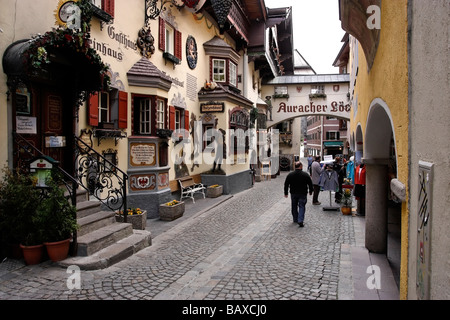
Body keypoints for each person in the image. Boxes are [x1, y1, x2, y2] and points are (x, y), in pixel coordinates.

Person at [284, 161, 313, 227]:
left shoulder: (290, 175)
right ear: (300, 166)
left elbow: (286, 184)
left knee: (294, 206)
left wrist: (286, 193)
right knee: (302, 206)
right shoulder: (305, 175)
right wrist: (311, 191)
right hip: (302, 193)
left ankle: (295, 219)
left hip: (293, 193)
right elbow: (310, 183)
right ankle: (300, 220)